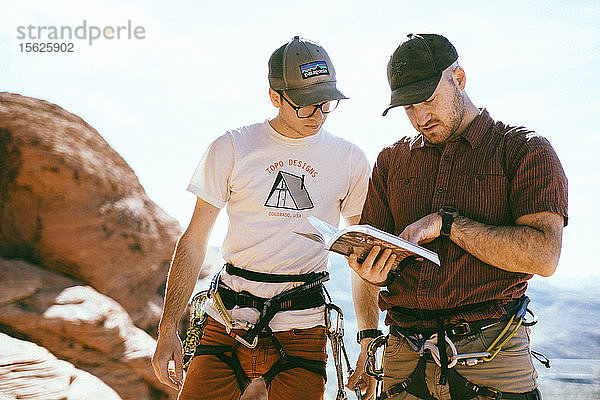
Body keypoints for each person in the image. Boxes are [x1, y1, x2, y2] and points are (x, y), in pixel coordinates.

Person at [346, 33, 568, 400]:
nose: (420, 117)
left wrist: (447, 225)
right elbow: (369, 256)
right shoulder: (390, 162)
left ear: (459, 79)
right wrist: (370, 283)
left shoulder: (524, 150)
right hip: (403, 358)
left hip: (491, 355)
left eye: (428, 100)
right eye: (408, 108)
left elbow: (544, 255)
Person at [151, 36, 371, 400]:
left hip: (303, 328)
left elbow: (362, 254)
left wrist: (367, 338)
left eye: (326, 103)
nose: (318, 114)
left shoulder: (349, 160)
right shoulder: (233, 147)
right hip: (227, 320)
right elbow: (194, 239)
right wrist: (167, 328)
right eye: (306, 105)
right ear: (275, 97)